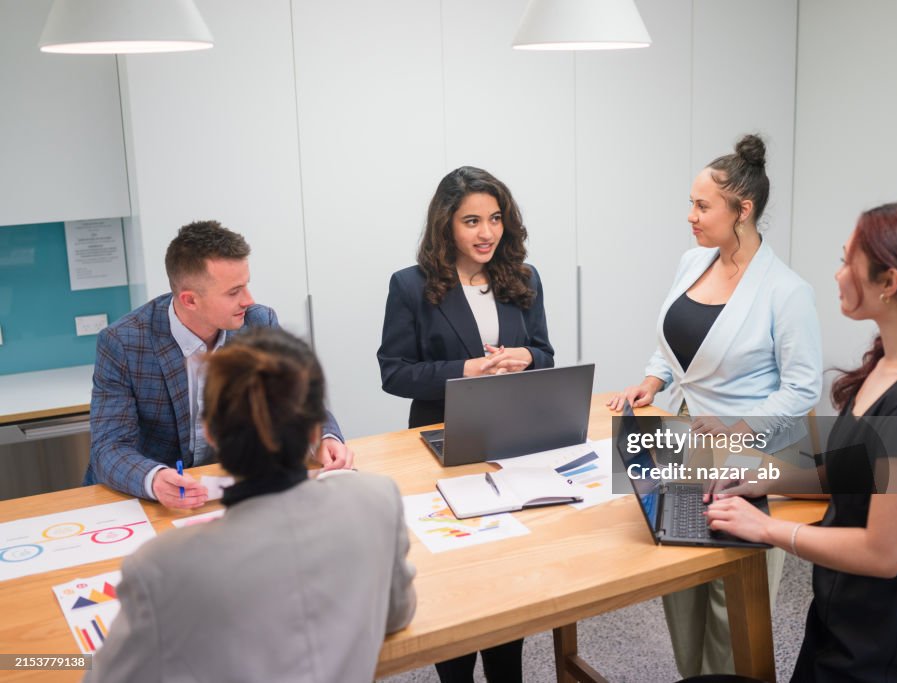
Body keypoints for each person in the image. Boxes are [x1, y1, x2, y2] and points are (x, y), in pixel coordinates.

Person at [705, 202, 897, 681]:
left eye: (848, 261)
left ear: (889, 283)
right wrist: (768, 479)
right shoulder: (887, 365)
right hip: (843, 617)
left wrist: (767, 530)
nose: (837, 274)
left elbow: (883, 554)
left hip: (894, 649)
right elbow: (858, 473)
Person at [85, 327, 416, 683]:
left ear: (210, 432)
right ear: (314, 429)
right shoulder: (378, 499)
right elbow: (397, 614)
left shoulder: (159, 565)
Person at [607, 134, 823, 677]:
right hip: (686, 442)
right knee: (683, 585)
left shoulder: (786, 292)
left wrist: (734, 429)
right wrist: (653, 380)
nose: (691, 216)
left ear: (742, 210)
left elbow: (802, 390)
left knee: (733, 601)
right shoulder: (692, 262)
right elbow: (673, 336)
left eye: (702, 205)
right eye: (692, 203)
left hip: (749, 458)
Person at [378, 166, 553, 682]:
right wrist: (466, 369)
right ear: (446, 226)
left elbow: (544, 351)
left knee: (506, 579)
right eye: (471, 221)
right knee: (455, 584)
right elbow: (395, 373)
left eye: (495, 219)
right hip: (441, 445)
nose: (486, 233)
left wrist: (524, 356)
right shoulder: (410, 286)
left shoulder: (523, 277)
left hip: (510, 442)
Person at [86, 220, 353, 509]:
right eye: (233, 292)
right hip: (151, 502)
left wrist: (325, 437)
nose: (248, 300)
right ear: (190, 300)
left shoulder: (257, 323)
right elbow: (109, 447)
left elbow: (297, 399)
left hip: (227, 491)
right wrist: (154, 478)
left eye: (246, 285)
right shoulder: (124, 342)